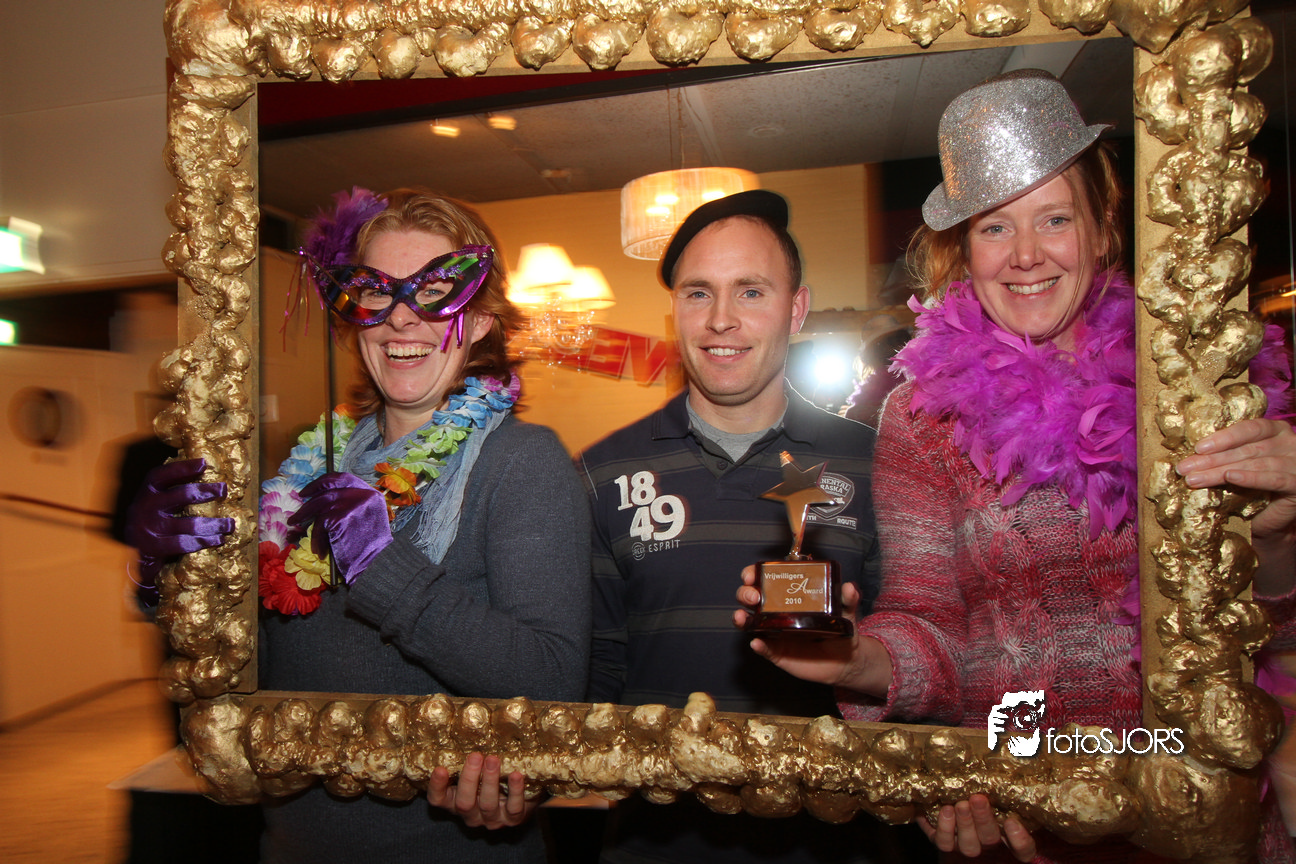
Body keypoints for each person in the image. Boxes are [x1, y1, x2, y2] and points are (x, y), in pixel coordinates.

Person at [736, 70, 1296, 863]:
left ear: (1102, 229)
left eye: (1055, 219)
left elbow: (1266, 633)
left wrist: (1277, 536)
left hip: (1205, 810)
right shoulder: (923, 414)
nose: (1026, 255)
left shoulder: (1196, 379)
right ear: (963, 248)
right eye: (995, 226)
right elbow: (932, 623)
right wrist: (855, 660)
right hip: (1021, 814)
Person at [127, 188, 591, 863]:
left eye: (434, 292)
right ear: (352, 320)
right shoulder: (309, 465)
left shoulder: (523, 461)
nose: (400, 318)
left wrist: (380, 566)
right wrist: (170, 582)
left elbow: (553, 681)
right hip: (294, 845)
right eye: (375, 293)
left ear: (482, 323)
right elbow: (262, 671)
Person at [578, 190, 912, 864]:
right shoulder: (603, 470)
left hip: (833, 844)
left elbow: (918, 660)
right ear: (675, 310)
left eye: (751, 291)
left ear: (797, 308)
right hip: (654, 844)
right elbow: (596, 672)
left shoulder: (879, 461)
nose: (720, 319)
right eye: (698, 293)